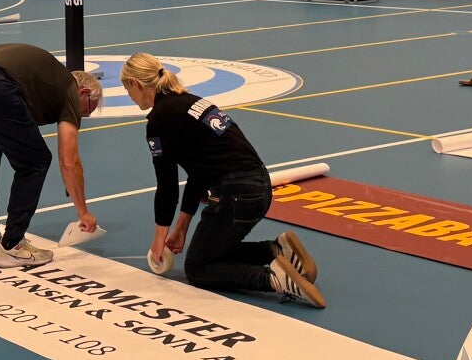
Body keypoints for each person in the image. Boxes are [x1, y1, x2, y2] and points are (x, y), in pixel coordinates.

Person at [119, 52, 322, 307]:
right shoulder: (189, 102)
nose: (128, 95)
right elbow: (198, 172)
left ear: (136, 83)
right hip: (259, 187)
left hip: (236, 195)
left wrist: (160, 237)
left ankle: (275, 279)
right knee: (213, 251)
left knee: (197, 267)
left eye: (127, 88)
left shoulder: (159, 120)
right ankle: (278, 251)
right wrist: (181, 226)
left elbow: (167, 186)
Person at [0, 42, 101, 267]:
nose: (82, 116)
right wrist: (83, 212)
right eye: (87, 109)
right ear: (84, 92)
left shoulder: (46, 81)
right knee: (36, 161)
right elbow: (69, 160)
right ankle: (12, 245)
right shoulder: (69, 89)